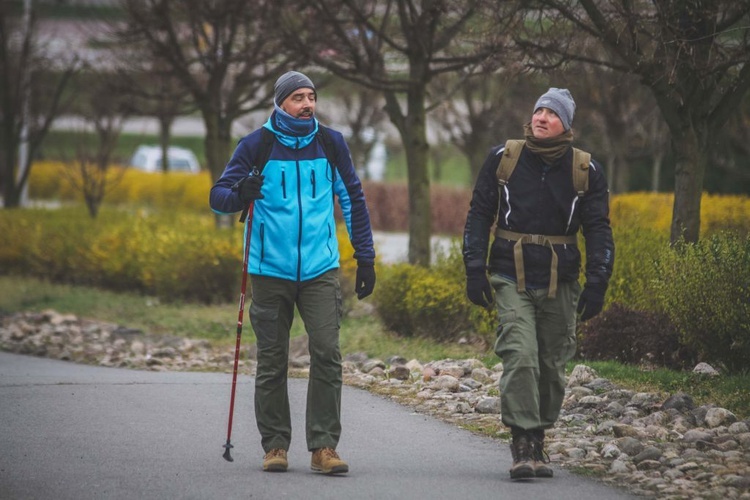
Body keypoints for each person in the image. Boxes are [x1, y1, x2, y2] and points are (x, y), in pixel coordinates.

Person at [209, 71, 376, 475]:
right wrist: (239, 194)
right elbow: (218, 197)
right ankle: (275, 446)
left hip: (320, 268)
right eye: (298, 97)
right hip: (268, 270)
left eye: (311, 96)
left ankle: (323, 447)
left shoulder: (331, 143)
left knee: (327, 351)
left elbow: (352, 196)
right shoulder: (257, 144)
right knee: (271, 359)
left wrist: (365, 255)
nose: (307, 104)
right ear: (281, 103)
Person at [462, 88, 614, 480]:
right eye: (538, 110)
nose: (541, 117)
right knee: (521, 355)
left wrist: (598, 282)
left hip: (561, 280)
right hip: (510, 274)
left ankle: (539, 434)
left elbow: (598, 229)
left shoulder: (587, 170)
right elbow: (479, 213)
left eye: (551, 112)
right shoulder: (504, 158)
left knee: (552, 364)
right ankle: (522, 441)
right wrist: (474, 268)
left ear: (567, 124)